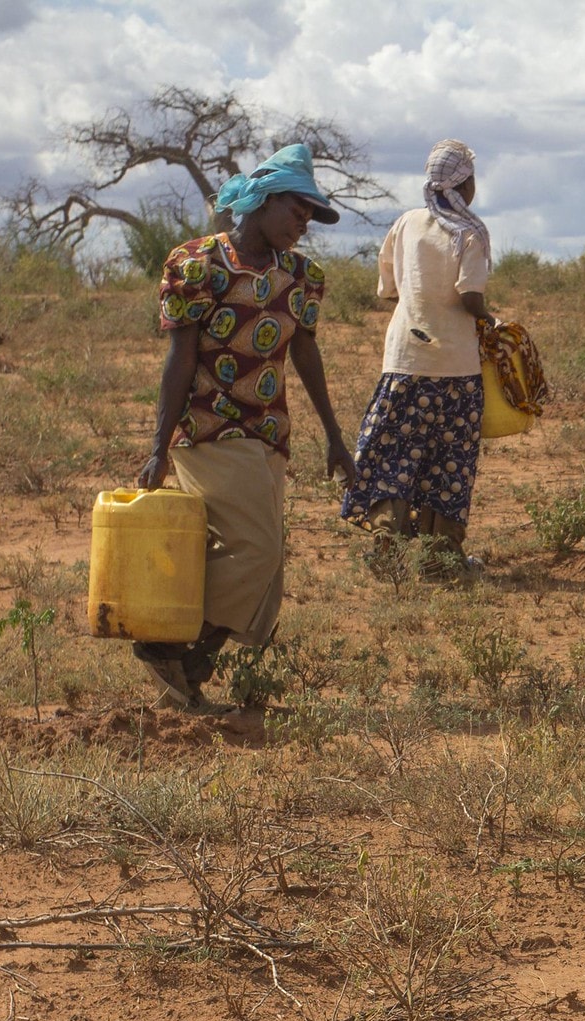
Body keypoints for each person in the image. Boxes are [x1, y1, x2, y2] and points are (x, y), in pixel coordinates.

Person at [136, 143, 354, 710]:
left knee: (266, 573)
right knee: (255, 549)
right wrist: (158, 446)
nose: (302, 227)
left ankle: (182, 682)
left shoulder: (300, 276)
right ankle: (166, 645)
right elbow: (179, 360)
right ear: (262, 199)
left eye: (310, 219)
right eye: (296, 212)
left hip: (268, 433)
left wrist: (333, 435)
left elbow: (305, 354)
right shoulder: (199, 264)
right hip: (208, 427)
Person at [339, 138, 495, 572]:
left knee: (393, 450)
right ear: (463, 186)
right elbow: (470, 296)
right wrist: (492, 321)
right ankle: (441, 556)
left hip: (404, 361)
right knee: (449, 461)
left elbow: (390, 289)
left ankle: (386, 538)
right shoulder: (469, 233)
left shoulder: (405, 224)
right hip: (457, 369)